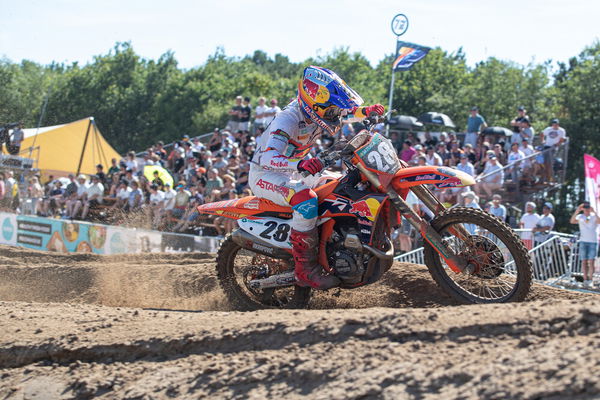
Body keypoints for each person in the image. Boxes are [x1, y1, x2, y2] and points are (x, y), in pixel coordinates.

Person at [249, 65, 384, 289]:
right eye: (330, 111)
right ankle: (306, 270)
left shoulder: (317, 110)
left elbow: (346, 113)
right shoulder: (287, 120)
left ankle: (335, 249)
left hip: (296, 170)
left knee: (339, 185)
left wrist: (366, 111)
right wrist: (299, 163)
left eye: (334, 111)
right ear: (314, 103)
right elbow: (267, 157)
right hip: (266, 174)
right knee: (305, 200)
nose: (335, 116)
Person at [570, 202, 600, 287]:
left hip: (593, 242)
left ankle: (590, 280)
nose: (586, 209)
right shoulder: (580, 216)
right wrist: (577, 210)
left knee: (591, 261)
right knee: (584, 261)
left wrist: (594, 211)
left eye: (588, 207)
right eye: (585, 207)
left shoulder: (594, 216)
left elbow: (599, 221)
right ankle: (585, 280)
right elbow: (572, 221)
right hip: (583, 241)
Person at [540, 118, 567, 184]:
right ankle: (544, 177)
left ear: (558, 125)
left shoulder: (561, 130)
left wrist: (557, 144)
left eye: (556, 124)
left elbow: (563, 139)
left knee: (549, 163)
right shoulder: (548, 129)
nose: (555, 126)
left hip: (553, 148)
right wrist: (542, 141)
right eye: (554, 124)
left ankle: (549, 178)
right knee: (543, 163)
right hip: (546, 146)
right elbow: (542, 134)